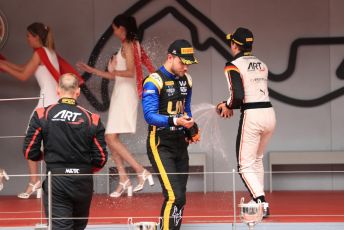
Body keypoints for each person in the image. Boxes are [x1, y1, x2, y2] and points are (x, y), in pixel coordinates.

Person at [0, 22, 84, 199]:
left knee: (31, 141)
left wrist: (3, 65)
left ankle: (35, 181)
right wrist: (4, 64)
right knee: (48, 143)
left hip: (47, 102)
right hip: (51, 101)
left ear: (36, 37)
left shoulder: (40, 53)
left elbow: (23, 76)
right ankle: (43, 182)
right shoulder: (48, 52)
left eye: (28, 36)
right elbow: (23, 69)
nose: (27, 39)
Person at [77, 14, 155, 198]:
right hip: (121, 93)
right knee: (110, 137)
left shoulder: (129, 45)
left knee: (110, 138)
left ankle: (140, 171)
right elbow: (116, 75)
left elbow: (129, 72)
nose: (113, 31)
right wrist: (94, 70)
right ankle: (123, 179)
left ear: (122, 28)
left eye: (115, 27)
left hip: (126, 95)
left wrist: (113, 70)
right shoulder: (128, 45)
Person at [23, 73, 108, 230]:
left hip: (57, 179)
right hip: (83, 181)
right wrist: (85, 169)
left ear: (57, 90)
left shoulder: (42, 114)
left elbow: (29, 152)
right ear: (77, 92)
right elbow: (101, 159)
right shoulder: (93, 118)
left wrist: (47, 157)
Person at [216, 27, 276, 217]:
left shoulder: (232, 65)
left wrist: (225, 105)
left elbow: (237, 97)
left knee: (244, 165)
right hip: (269, 114)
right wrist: (230, 104)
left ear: (234, 45)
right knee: (256, 159)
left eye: (231, 42)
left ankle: (261, 202)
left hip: (253, 115)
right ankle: (257, 199)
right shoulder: (262, 64)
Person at [142, 39, 200, 230]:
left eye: (189, 63)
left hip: (179, 143)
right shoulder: (154, 80)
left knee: (180, 196)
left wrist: (191, 128)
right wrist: (175, 121)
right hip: (160, 144)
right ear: (170, 57)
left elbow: (187, 110)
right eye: (182, 62)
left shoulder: (187, 80)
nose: (186, 68)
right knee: (174, 195)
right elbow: (149, 116)